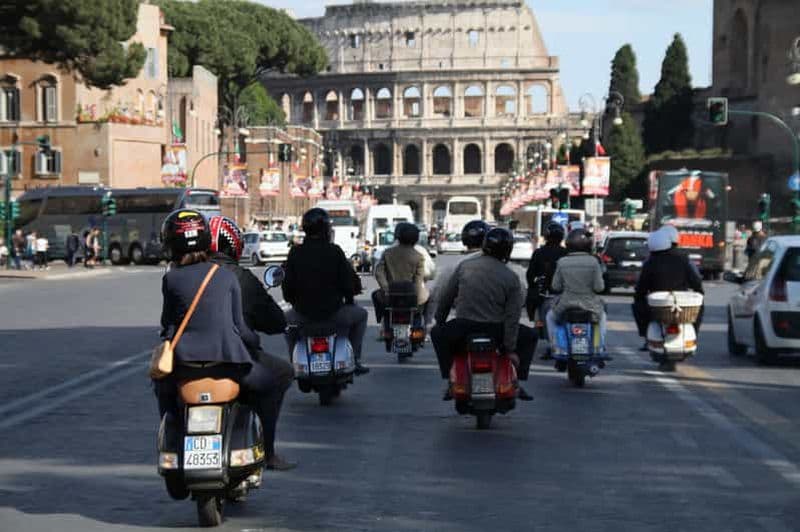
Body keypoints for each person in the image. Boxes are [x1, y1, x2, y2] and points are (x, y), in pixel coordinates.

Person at [153, 209, 278, 456]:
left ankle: (175, 442)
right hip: (228, 364)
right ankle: (264, 449)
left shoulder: (171, 280)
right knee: (269, 386)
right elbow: (240, 329)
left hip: (184, 366)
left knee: (162, 390)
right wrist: (255, 341)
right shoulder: (225, 276)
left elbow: (167, 326)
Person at [208, 215, 296, 471]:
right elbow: (274, 321)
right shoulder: (241, 278)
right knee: (281, 374)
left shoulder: (183, 274)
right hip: (235, 360)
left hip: (188, 361)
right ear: (234, 245)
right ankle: (267, 451)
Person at [432, 228, 536, 401]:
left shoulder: (465, 266)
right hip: (497, 329)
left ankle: (450, 377)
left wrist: (440, 322)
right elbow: (512, 316)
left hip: (463, 327)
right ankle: (518, 379)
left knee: (436, 333)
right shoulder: (510, 276)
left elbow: (446, 298)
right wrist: (510, 349)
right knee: (531, 335)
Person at [282, 208, 370, 375]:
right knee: (361, 315)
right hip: (334, 314)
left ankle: (293, 362)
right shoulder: (334, 251)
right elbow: (349, 282)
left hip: (302, 315)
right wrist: (352, 292)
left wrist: (296, 301)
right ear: (326, 229)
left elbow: (287, 288)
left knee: (286, 323)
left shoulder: (296, 253)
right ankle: (356, 359)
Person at [632, 227, 704, 351]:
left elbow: (641, 287)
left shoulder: (650, 262)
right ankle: (694, 335)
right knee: (700, 308)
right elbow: (695, 280)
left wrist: (639, 295)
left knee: (638, 306)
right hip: (681, 301)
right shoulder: (683, 259)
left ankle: (645, 336)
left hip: (658, 302)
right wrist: (699, 292)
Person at [545, 228, 607, 354]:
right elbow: (599, 287)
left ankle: (555, 346)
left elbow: (555, 286)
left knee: (549, 317)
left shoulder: (562, 262)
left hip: (566, 305)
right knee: (602, 318)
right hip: (591, 306)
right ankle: (599, 347)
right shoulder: (593, 261)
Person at [425, 220, 489, 324]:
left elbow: (438, 298)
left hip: (464, 325)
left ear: (464, 240)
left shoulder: (454, 266)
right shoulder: (502, 265)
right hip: (497, 327)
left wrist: (433, 323)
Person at [372, 222, 429, 327]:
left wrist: (386, 288)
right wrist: (416, 298)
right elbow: (418, 280)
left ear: (397, 236)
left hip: (390, 296)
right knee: (424, 302)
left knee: (375, 295)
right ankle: (419, 327)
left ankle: (383, 320)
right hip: (411, 296)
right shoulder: (418, 256)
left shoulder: (387, 253)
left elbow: (378, 272)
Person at [526, 222, 568, 322]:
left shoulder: (539, 253)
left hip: (543, 295)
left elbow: (530, 275)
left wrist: (534, 284)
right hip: (560, 295)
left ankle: (537, 323)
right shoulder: (566, 253)